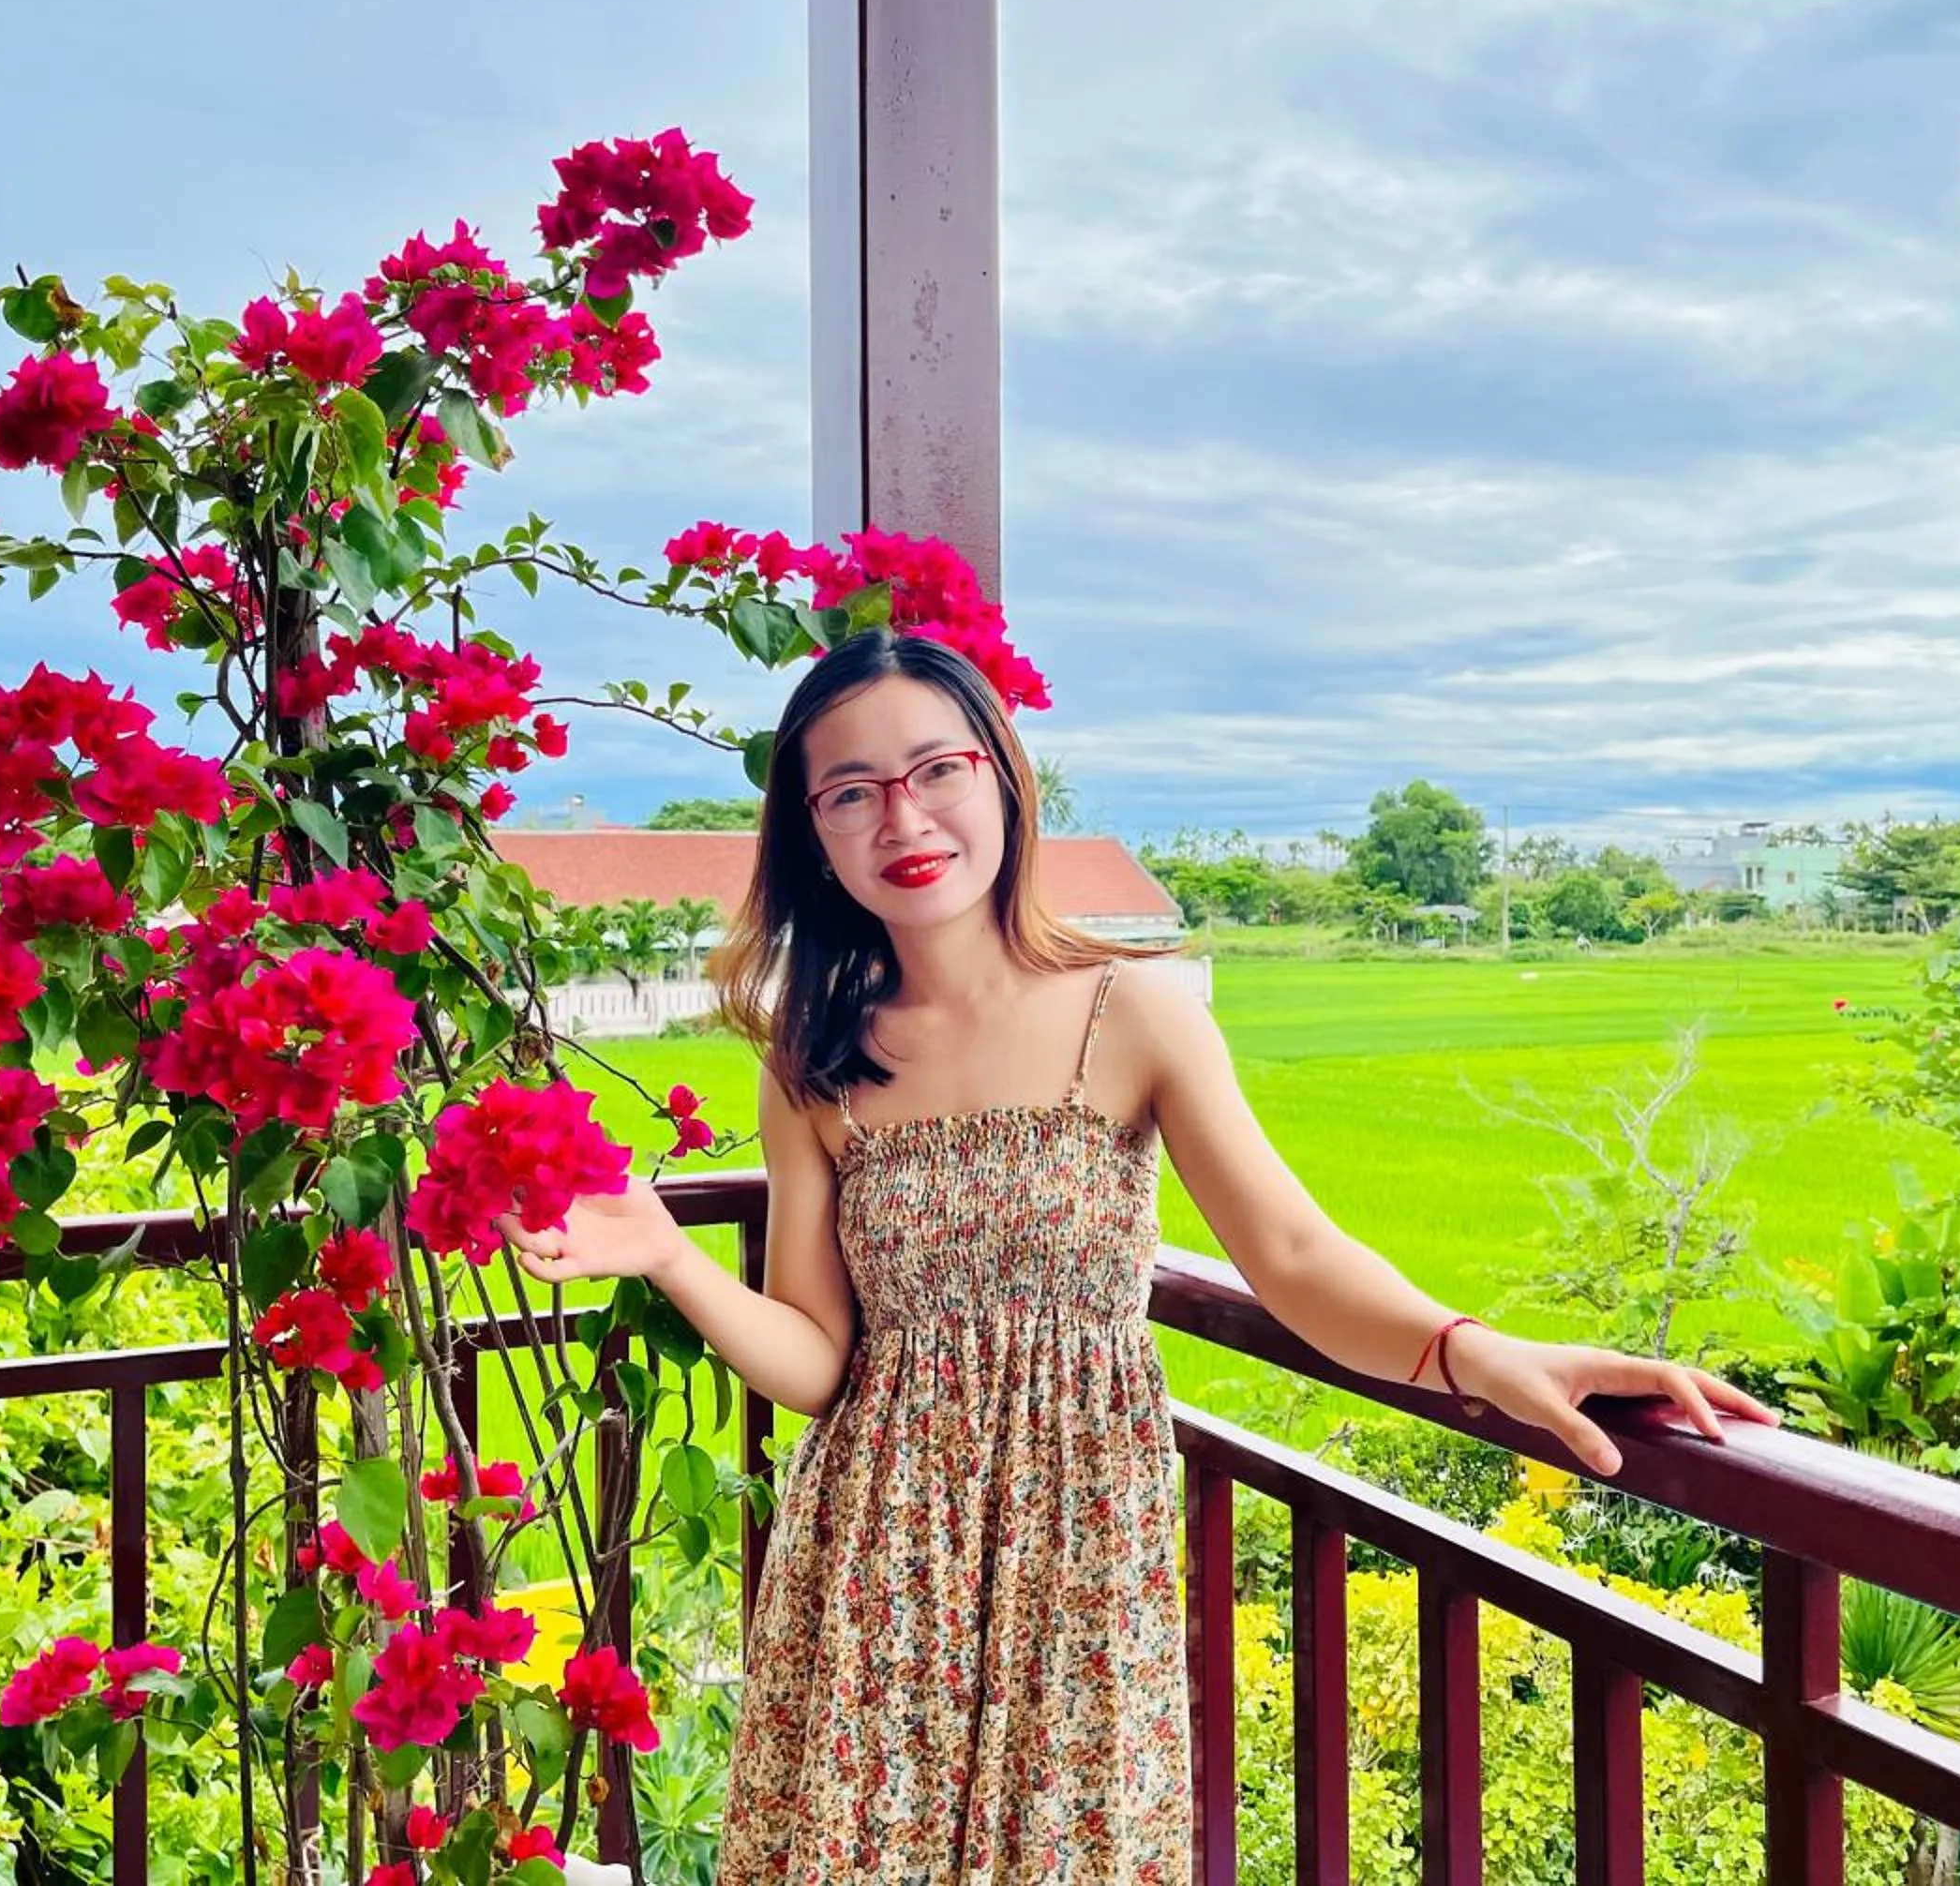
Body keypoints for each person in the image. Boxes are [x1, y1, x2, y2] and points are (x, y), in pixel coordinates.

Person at [500, 627, 1775, 1883]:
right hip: (874, 1560)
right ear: (816, 833)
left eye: (937, 767)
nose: (904, 815)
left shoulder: (1132, 1008)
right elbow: (821, 1359)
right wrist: (666, 1252)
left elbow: (1287, 1249)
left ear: (1002, 776)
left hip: (1079, 1546)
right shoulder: (814, 1056)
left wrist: (1476, 1352)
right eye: (852, 790)